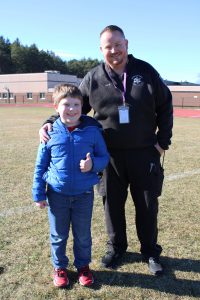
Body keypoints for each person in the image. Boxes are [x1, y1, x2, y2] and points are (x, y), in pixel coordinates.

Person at [39, 25, 173, 276]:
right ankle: (117, 248)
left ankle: (151, 252)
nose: (114, 50)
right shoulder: (94, 77)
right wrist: (48, 121)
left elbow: (166, 105)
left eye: (118, 45)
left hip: (144, 153)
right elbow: (73, 104)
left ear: (126, 44)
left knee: (146, 205)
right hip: (108, 155)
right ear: (101, 50)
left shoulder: (145, 71)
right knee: (112, 205)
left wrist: (162, 141)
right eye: (108, 46)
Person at [32, 84, 109, 288]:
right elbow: (40, 165)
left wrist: (94, 164)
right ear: (56, 107)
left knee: (83, 235)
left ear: (82, 106)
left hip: (84, 194)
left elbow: (104, 157)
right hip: (57, 195)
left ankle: (83, 266)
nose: (72, 109)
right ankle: (60, 268)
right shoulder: (49, 133)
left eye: (76, 104)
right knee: (58, 235)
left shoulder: (92, 131)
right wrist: (38, 194)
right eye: (67, 104)